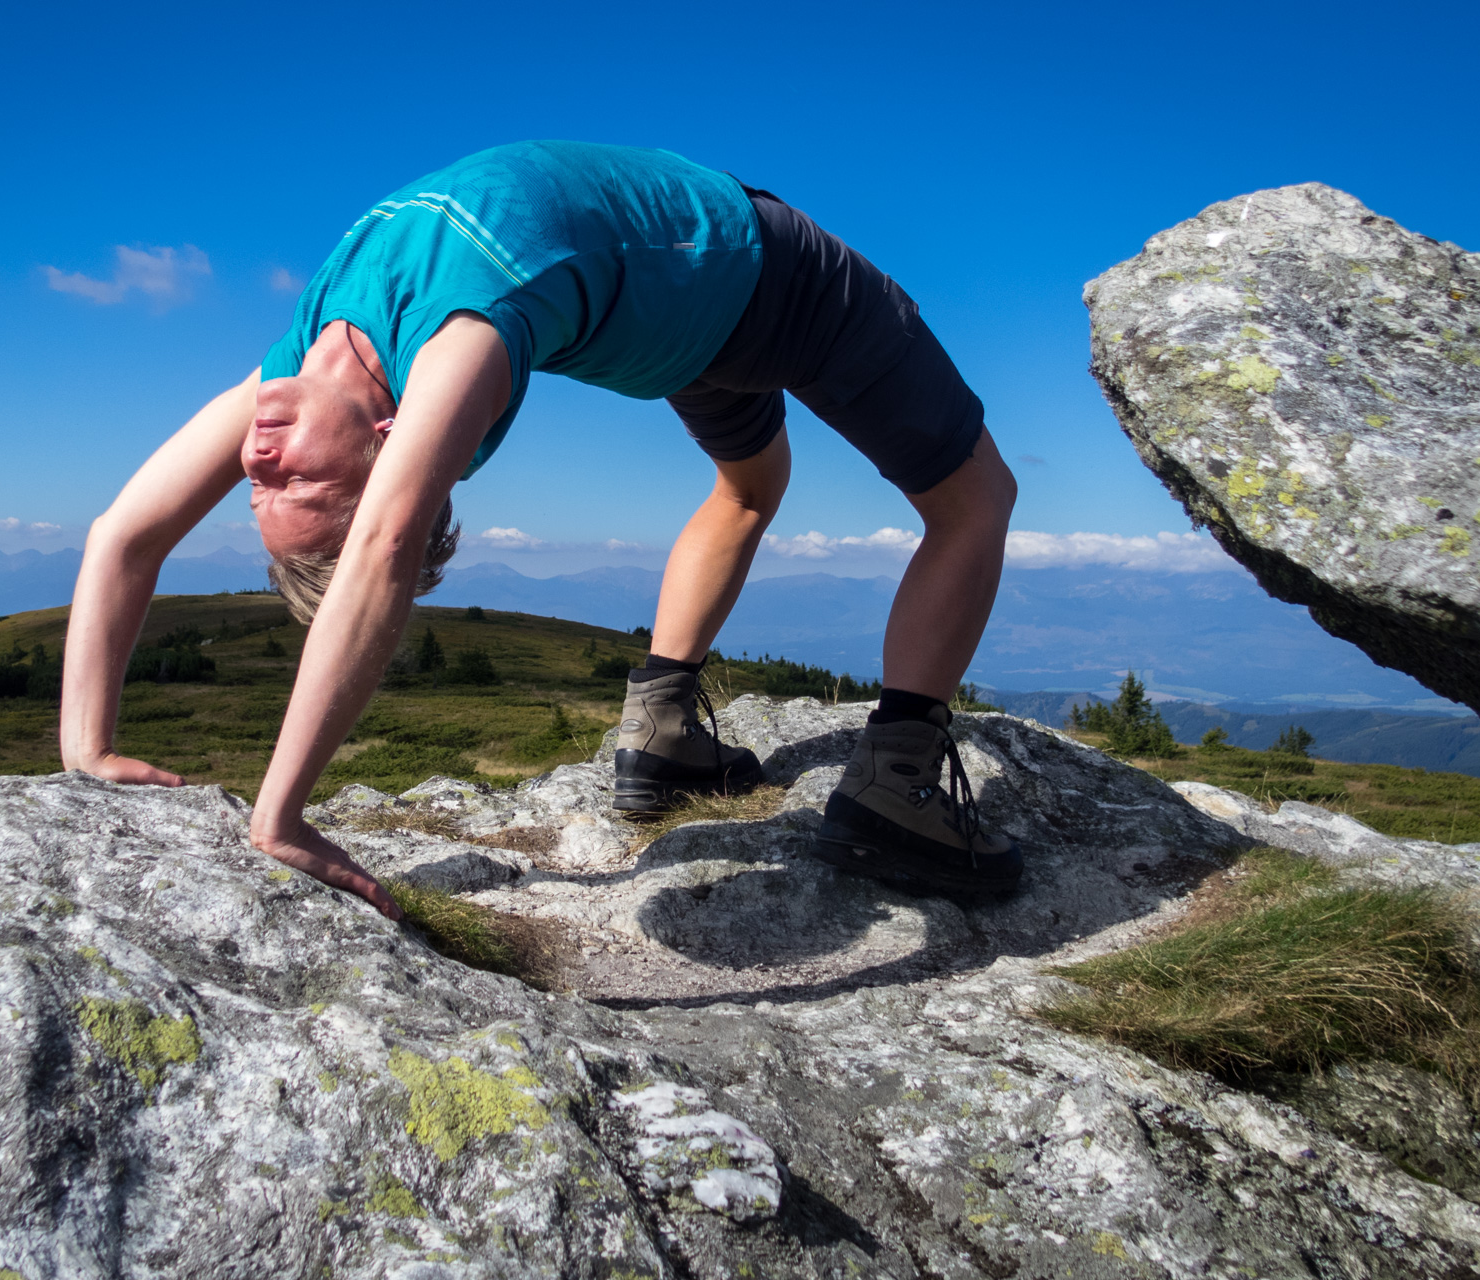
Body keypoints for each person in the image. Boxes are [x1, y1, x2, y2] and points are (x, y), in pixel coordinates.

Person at [58, 141, 1022, 920]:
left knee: (749, 488)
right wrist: (281, 816)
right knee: (978, 497)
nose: (259, 459)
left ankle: (661, 732)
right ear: (388, 444)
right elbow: (386, 547)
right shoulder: (460, 338)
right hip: (762, 277)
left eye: (257, 485)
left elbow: (124, 535)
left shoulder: (292, 373)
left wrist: (86, 750)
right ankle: (899, 781)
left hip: (683, 317)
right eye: (296, 481)